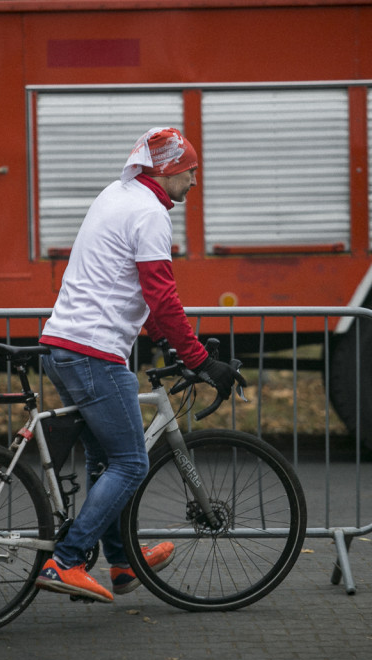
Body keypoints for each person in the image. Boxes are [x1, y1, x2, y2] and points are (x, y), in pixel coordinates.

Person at [35, 127, 238, 603]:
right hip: (94, 353)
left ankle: (123, 564)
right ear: (167, 171)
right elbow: (162, 296)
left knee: (106, 459)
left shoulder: (117, 193)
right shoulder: (150, 214)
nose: (194, 181)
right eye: (190, 171)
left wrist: (157, 338)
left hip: (63, 346)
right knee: (130, 462)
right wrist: (200, 359)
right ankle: (65, 561)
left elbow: (118, 277)